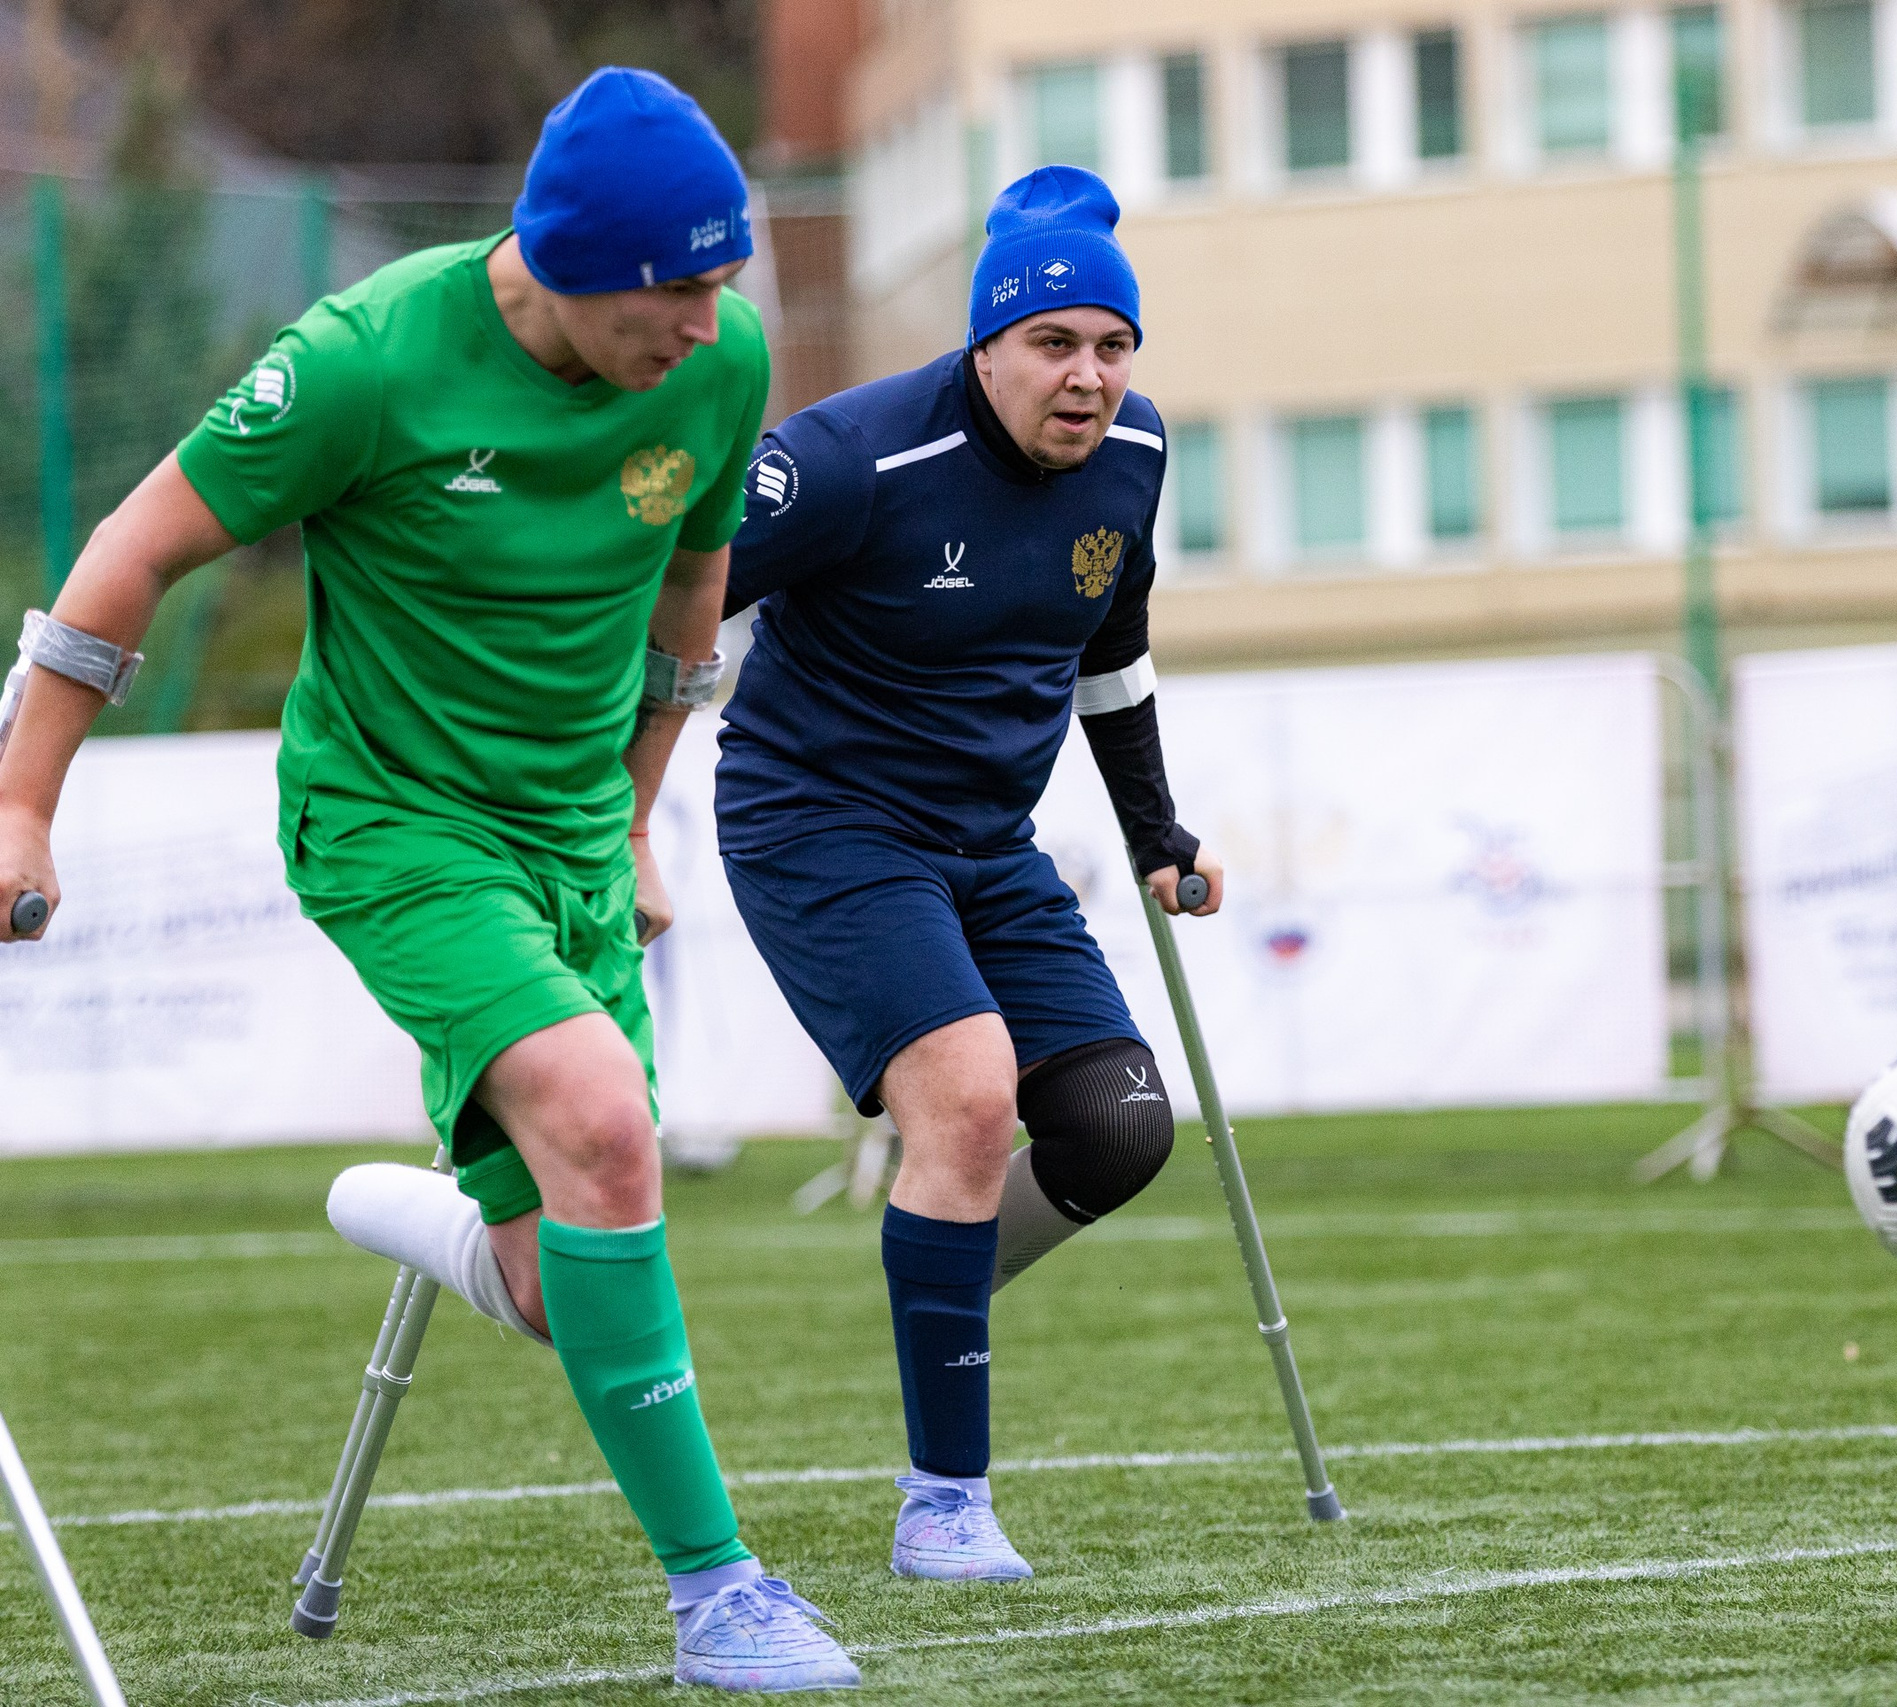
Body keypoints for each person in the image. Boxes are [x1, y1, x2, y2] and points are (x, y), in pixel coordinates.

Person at [0, 68, 858, 1693]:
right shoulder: (362, 361)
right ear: (569, 259)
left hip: (567, 840)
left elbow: (691, 607)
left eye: (722, 285)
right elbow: (130, 554)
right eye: (675, 288)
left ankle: (434, 1224)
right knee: (607, 1124)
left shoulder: (717, 363)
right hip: (393, 828)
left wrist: (633, 817)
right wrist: (22, 807)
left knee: (562, 1277)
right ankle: (721, 1594)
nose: (706, 323)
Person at [716, 165, 1212, 1582]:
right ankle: (946, 1503)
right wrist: (595, 812)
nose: (1089, 376)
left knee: (1119, 1132)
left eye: (1113, 345)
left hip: (987, 844)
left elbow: (1109, 646)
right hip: (819, 822)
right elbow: (676, 604)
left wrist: (1158, 831)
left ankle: (933, 1257)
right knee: (973, 1094)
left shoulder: (1138, 456)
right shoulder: (847, 459)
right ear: (986, 345)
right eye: (1055, 344)